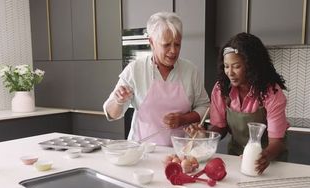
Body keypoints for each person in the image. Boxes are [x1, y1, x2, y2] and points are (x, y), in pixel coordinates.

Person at [103, 12, 210, 146]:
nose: (173, 51)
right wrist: (119, 101)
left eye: (177, 44)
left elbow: (205, 106)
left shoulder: (190, 71)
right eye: (166, 45)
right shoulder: (135, 70)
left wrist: (183, 119)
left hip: (180, 152)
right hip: (141, 152)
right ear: (152, 42)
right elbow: (111, 114)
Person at [191, 32, 288, 174]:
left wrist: (264, 157)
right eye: (226, 66)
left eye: (236, 66)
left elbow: (276, 142)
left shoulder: (271, 93)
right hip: (236, 157)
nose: (229, 72)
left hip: (269, 162)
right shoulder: (221, 89)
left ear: (251, 66)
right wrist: (205, 135)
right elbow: (220, 127)